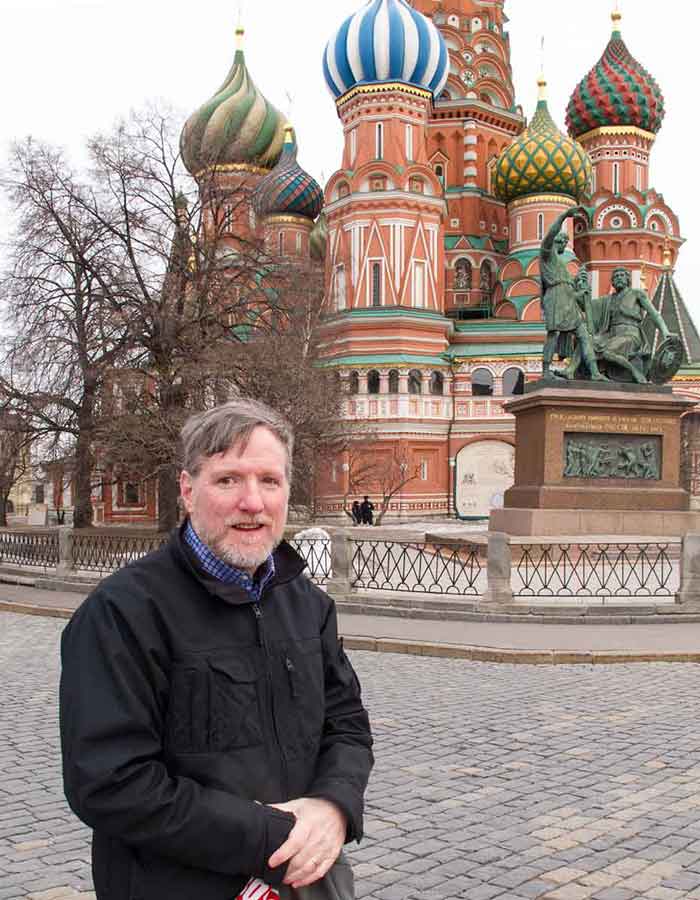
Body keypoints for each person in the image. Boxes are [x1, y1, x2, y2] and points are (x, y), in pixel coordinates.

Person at [59, 399, 374, 900]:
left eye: (269, 481)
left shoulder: (308, 605)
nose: (252, 502)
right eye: (228, 480)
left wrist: (334, 806)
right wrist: (275, 834)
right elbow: (110, 782)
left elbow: (348, 726)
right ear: (188, 490)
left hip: (306, 881)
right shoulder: (121, 613)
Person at [540, 207, 606, 382]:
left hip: (569, 302)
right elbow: (551, 233)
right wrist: (564, 216)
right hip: (555, 299)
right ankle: (545, 370)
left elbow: (568, 292)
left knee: (584, 335)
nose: (565, 245)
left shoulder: (561, 265)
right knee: (553, 334)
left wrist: (579, 290)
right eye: (564, 242)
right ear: (557, 242)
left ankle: (594, 372)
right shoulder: (547, 255)